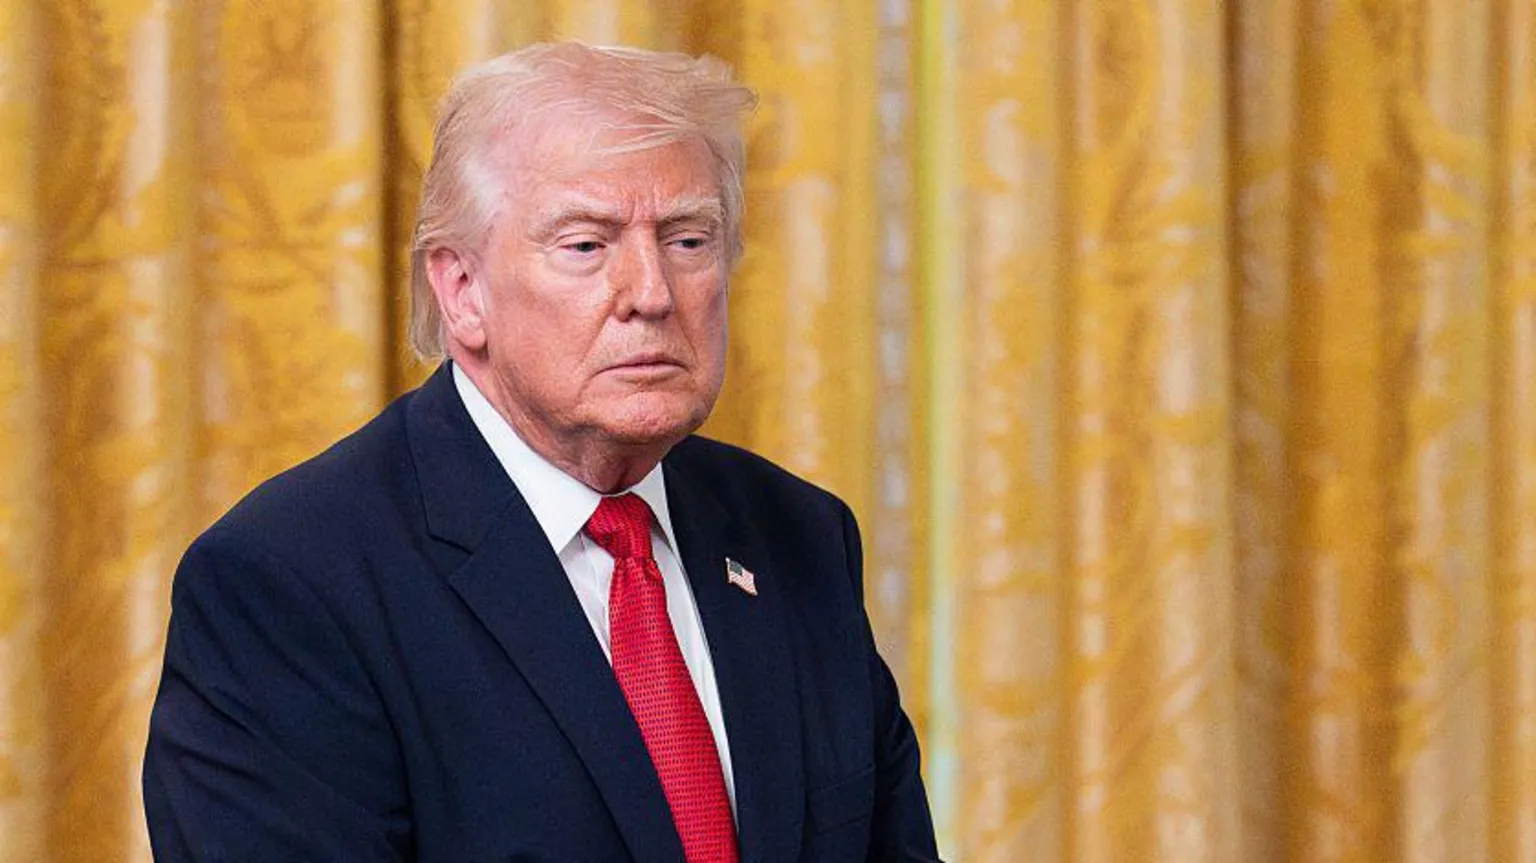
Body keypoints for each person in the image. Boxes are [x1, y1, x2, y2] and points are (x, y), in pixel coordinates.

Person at [143, 42, 939, 862]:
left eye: (688, 240)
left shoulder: (799, 535)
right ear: (462, 291)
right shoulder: (288, 584)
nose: (653, 292)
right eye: (586, 244)